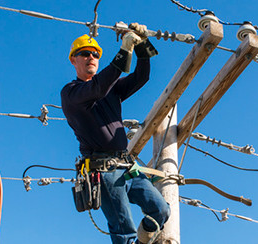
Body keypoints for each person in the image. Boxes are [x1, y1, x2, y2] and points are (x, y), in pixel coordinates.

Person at [61, 23, 170, 244]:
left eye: (95, 54)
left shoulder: (111, 89)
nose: (91, 57)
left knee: (161, 210)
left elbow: (142, 76)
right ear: (74, 60)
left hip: (127, 166)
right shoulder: (71, 93)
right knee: (124, 232)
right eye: (84, 54)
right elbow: (98, 88)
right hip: (103, 171)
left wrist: (142, 44)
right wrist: (124, 51)